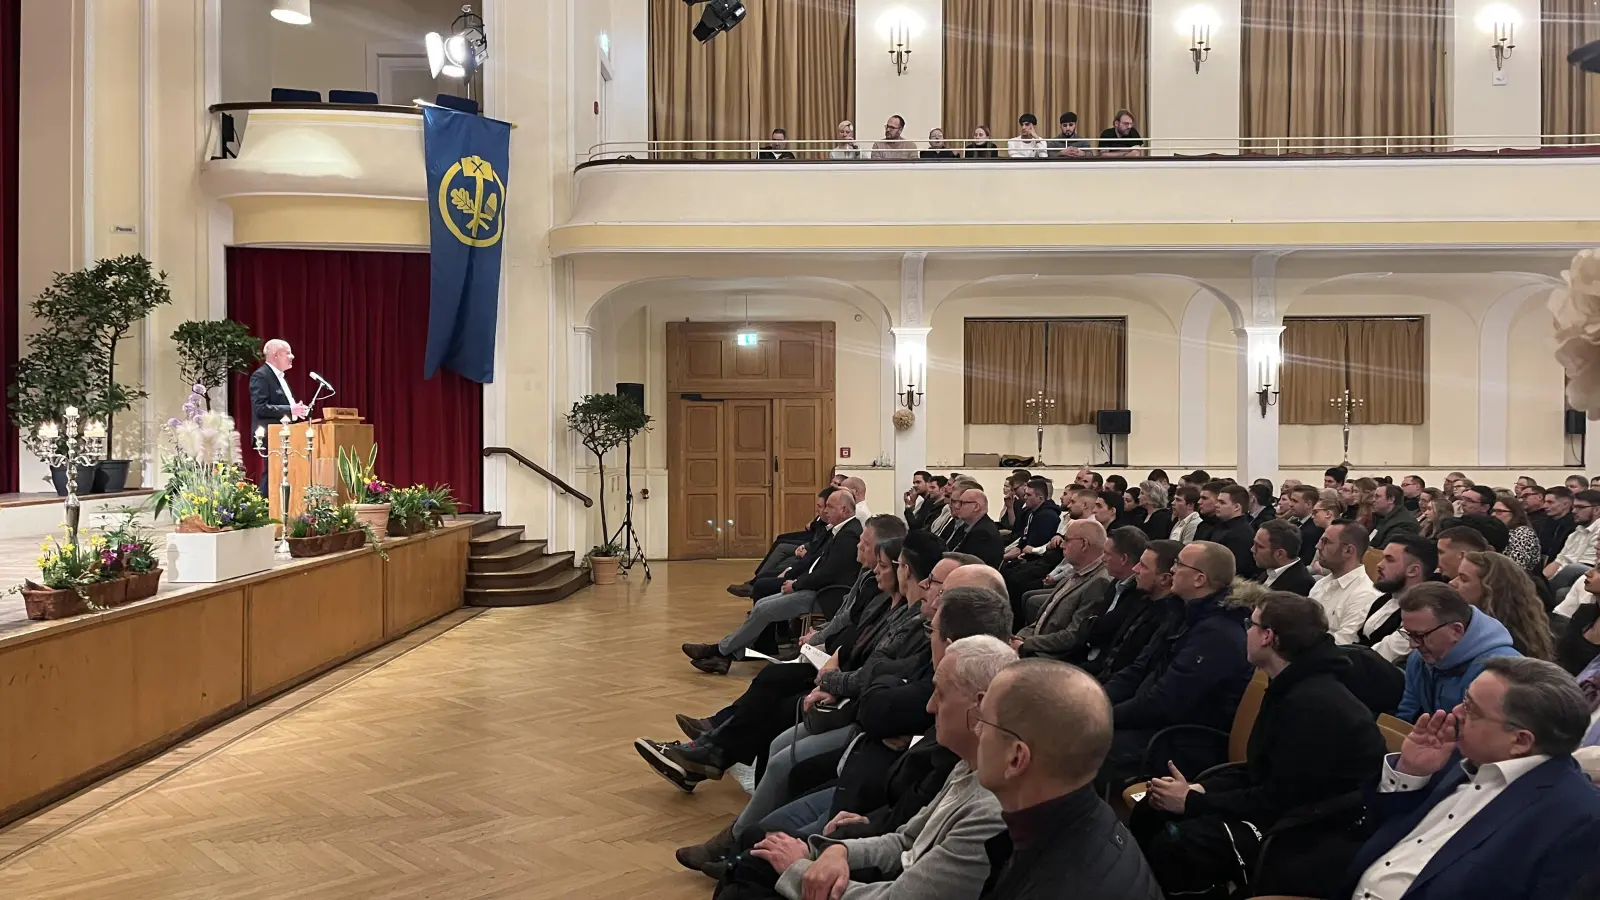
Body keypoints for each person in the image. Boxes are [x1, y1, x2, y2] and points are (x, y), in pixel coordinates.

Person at [1131, 593, 1387, 898]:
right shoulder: (1290, 683)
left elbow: (1282, 798)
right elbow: (1262, 770)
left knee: (1176, 845)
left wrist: (1194, 802)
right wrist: (1200, 789)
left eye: (1249, 624)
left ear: (1268, 637)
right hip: (1286, 805)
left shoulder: (1314, 704)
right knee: (1152, 808)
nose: (1246, 632)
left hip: (1310, 829)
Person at [747, 637, 1016, 900]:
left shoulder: (989, 810)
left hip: (885, 876)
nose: (930, 706)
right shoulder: (967, 767)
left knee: (756, 863)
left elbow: (898, 892)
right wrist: (839, 851)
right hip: (880, 847)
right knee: (758, 846)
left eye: (940, 694)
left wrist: (799, 869)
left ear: (979, 707)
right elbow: (906, 840)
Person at [1344, 657, 1600, 900]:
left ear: (1520, 741)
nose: (1455, 712)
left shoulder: (1578, 819)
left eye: (1470, 709)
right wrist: (1409, 772)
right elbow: (1375, 830)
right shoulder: (1454, 758)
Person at [975, 660, 1163, 900]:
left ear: (1016, 758)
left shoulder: (1055, 884)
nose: (976, 731)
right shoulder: (1090, 823)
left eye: (984, 722)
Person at [1101, 541, 1253, 785]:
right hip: (1153, 725)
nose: (1171, 570)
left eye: (1179, 564)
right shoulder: (1182, 613)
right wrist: (1096, 702)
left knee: (1081, 746)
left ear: (1199, 579)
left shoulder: (1219, 634)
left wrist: (1104, 716)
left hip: (1182, 742)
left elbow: (1163, 703)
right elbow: (1138, 670)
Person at [682, 489, 863, 673]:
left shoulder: (848, 535)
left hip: (826, 596)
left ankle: (719, 651)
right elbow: (819, 566)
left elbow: (827, 573)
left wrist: (796, 584)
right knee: (762, 604)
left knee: (764, 610)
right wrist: (796, 579)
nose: (825, 511)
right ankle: (723, 655)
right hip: (817, 589)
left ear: (844, 510)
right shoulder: (842, 530)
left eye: (830, 507)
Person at [1396, 582, 1521, 723]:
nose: (1413, 645)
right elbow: (1406, 716)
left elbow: (1496, 734)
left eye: (1420, 635)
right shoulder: (1419, 660)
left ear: (1456, 630)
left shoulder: (1502, 674)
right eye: (1409, 634)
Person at [1015, 520, 1111, 654]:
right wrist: (1021, 637)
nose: (1062, 545)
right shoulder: (1078, 571)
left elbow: (1072, 637)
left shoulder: (1099, 582)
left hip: (1050, 656)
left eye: (1067, 540)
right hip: (1037, 642)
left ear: (1084, 544)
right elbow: (1043, 619)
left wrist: (1026, 644)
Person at [1452, 551, 1554, 660]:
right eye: (1457, 576)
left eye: (1463, 579)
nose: (1452, 582)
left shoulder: (1509, 645)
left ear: (1490, 590)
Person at [1360, 535, 1438, 663]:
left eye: (1389, 560)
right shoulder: (1384, 598)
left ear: (1413, 570)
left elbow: (1382, 655)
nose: (1379, 565)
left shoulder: (1421, 613)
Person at [250, 339, 310, 494]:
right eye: (288, 353)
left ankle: (283, 506)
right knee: (273, 473)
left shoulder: (280, 377)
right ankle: (263, 506)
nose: (292, 356)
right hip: (272, 434)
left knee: (283, 474)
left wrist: (297, 411)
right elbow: (260, 408)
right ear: (276, 355)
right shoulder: (261, 376)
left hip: (287, 434)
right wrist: (290, 409)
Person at [1308, 520, 1382, 644]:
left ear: (1348, 551)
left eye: (1326, 542)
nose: (1318, 546)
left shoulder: (1365, 594)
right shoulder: (1321, 584)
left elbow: (1343, 644)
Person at [1252, 518, 1315, 595]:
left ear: (1280, 554)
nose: (1253, 550)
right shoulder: (1268, 570)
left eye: (1259, 547)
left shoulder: (1301, 585)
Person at [947, 488, 1006, 567]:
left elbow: (970, 565)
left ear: (976, 507)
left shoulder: (982, 533)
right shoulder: (969, 526)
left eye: (962, 503)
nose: (957, 506)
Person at [1491, 495, 1543, 574]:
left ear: (1514, 514)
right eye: (1493, 511)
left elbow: (1515, 567)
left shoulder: (1523, 534)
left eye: (1499, 511)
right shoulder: (1500, 531)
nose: (1493, 515)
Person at [1371, 483, 1421, 548]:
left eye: (1377, 497)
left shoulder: (1405, 524)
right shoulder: (1382, 517)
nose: (1373, 500)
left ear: (1391, 499)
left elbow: (1387, 551)